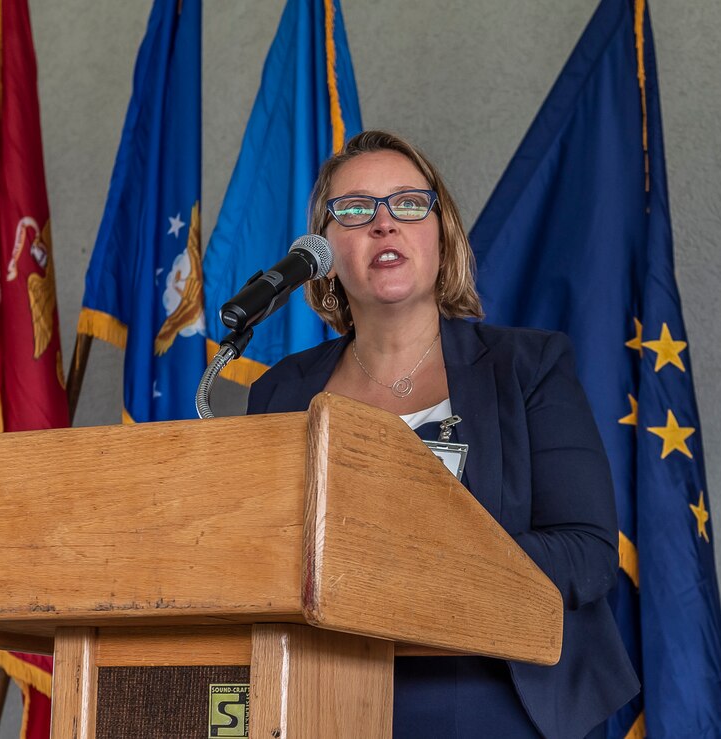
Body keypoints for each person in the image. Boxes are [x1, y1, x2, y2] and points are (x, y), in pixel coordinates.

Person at [246, 130, 639, 739]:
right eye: (354, 210)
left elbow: (587, 553)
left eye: (407, 203)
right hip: (324, 690)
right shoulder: (280, 392)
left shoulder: (527, 366)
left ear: (441, 232)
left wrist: (420, 564)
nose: (384, 225)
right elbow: (259, 557)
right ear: (324, 249)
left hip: (496, 688)